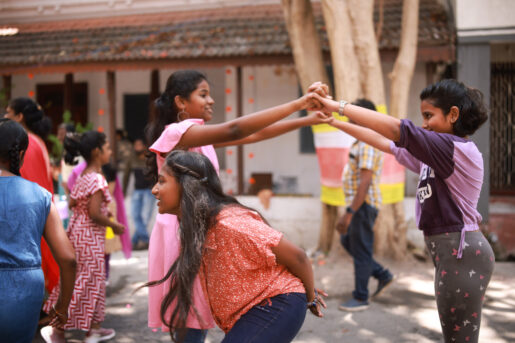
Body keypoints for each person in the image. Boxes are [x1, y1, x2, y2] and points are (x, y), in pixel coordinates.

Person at [145, 70, 329, 341]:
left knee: (199, 313)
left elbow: (252, 136)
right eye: (203, 94)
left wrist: (306, 120)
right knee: (191, 318)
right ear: (181, 102)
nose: (211, 101)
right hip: (182, 230)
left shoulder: (196, 135)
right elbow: (235, 128)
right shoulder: (176, 133)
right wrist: (299, 104)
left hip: (197, 227)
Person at [311, 79, 495, 343]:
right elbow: (386, 143)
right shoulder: (438, 155)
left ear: (453, 115)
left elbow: (398, 130)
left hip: (462, 253)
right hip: (453, 254)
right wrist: (334, 122)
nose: (425, 123)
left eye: (429, 116)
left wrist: (334, 106)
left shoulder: (456, 150)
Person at [147, 150, 327, 342]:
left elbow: (298, 257)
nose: (154, 189)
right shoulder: (195, 225)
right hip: (249, 312)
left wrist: (311, 298)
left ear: (186, 185)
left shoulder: (230, 223)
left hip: (278, 303)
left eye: (162, 181)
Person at [41, 131, 125, 343]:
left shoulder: (83, 177)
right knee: (87, 282)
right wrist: (114, 225)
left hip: (78, 234)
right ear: (97, 152)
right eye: (107, 148)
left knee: (80, 280)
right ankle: (59, 330)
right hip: (90, 237)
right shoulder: (97, 179)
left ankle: (91, 328)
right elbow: (95, 213)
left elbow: (72, 204)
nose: (110, 152)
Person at [0, 119, 76, 343]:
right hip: (24, 291)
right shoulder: (40, 195)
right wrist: (61, 309)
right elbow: (68, 259)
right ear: (21, 153)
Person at [335, 99, 393, 311]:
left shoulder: (367, 143)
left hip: (363, 205)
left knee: (360, 249)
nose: (349, 119)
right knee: (348, 241)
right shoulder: (361, 141)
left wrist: (350, 212)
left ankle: (360, 297)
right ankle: (382, 274)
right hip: (360, 205)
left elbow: (365, 182)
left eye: (353, 116)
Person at [4, 97, 60, 294]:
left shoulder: (26, 144)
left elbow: (27, 184)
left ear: (19, 117)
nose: (5, 116)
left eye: (8, 112)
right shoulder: (35, 140)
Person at [123, 138, 155, 250]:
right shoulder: (131, 159)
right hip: (137, 191)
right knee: (135, 215)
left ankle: (134, 241)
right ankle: (145, 240)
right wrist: (123, 191)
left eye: (139, 145)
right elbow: (126, 176)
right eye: (135, 145)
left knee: (145, 217)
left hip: (149, 191)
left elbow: (157, 173)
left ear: (144, 146)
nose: (137, 147)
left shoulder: (150, 158)